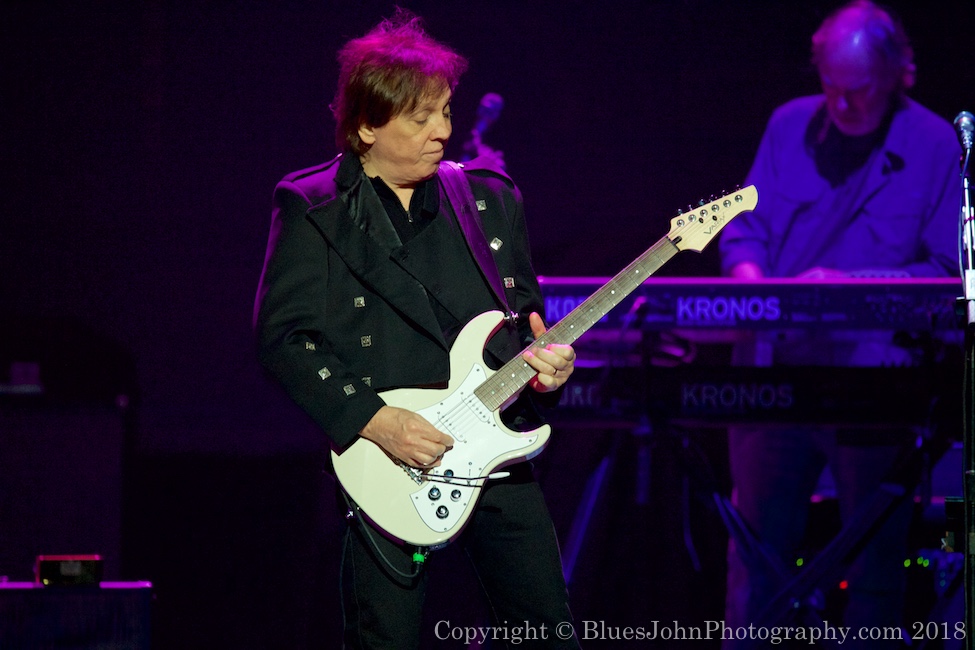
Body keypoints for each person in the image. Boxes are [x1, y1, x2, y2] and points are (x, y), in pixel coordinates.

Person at [253, 10, 580, 650]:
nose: (442, 133)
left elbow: (525, 333)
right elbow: (284, 338)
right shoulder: (314, 207)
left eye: (447, 113)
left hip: (493, 452)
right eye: (421, 118)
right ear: (366, 126)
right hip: (386, 462)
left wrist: (549, 373)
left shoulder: (489, 200)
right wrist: (376, 421)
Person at [718, 1, 960, 645]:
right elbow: (746, 228)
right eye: (829, 86)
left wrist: (848, 288)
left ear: (895, 75)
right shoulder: (788, 124)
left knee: (876, 567)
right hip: (775, 374)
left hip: (873, 384)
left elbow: (945, 273)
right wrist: (749, 284)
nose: (842, 104)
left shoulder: (936, 143)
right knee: (756, 554)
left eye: (858, 90)